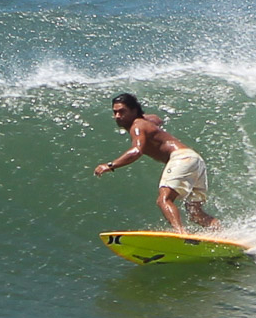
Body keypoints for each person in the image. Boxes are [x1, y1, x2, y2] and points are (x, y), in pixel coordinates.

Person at [93, 93, 219, 233]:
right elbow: (157, 119)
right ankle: (223, 233)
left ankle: (181, 234)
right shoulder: (145, 121)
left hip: (181, 158)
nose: (117, 116)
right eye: (115, 112)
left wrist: (110, 165)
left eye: (122, 111)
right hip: (195, 160)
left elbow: (136, 151)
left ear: (134, 110)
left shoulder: (138, 125)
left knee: (163, 200)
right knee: (195, 213)